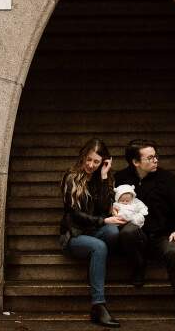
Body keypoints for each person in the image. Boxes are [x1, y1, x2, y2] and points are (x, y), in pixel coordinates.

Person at [116, 139, 175, 323]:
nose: (156, 160)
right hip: (136, 237)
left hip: (162, 235)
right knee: (128, 232)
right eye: (150, 158)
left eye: (156, 156)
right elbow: (110, 204)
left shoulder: (167, 179)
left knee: (172, 251)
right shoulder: (121, 178)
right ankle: (138, 266)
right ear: (135, 162)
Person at [60, 138, 127, 328]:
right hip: (74, 235)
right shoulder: (71, 178)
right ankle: (98, 306)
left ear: (103, 162)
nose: (91, 165)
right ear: (83, 156)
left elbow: (104, 208)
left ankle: (97, 264)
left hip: (94, 231)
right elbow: (74, 213)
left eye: (96, 162)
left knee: (113, 232)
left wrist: (104, 177)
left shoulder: (103, 178)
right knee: (100, 246)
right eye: (88, 159)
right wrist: (103, 221)